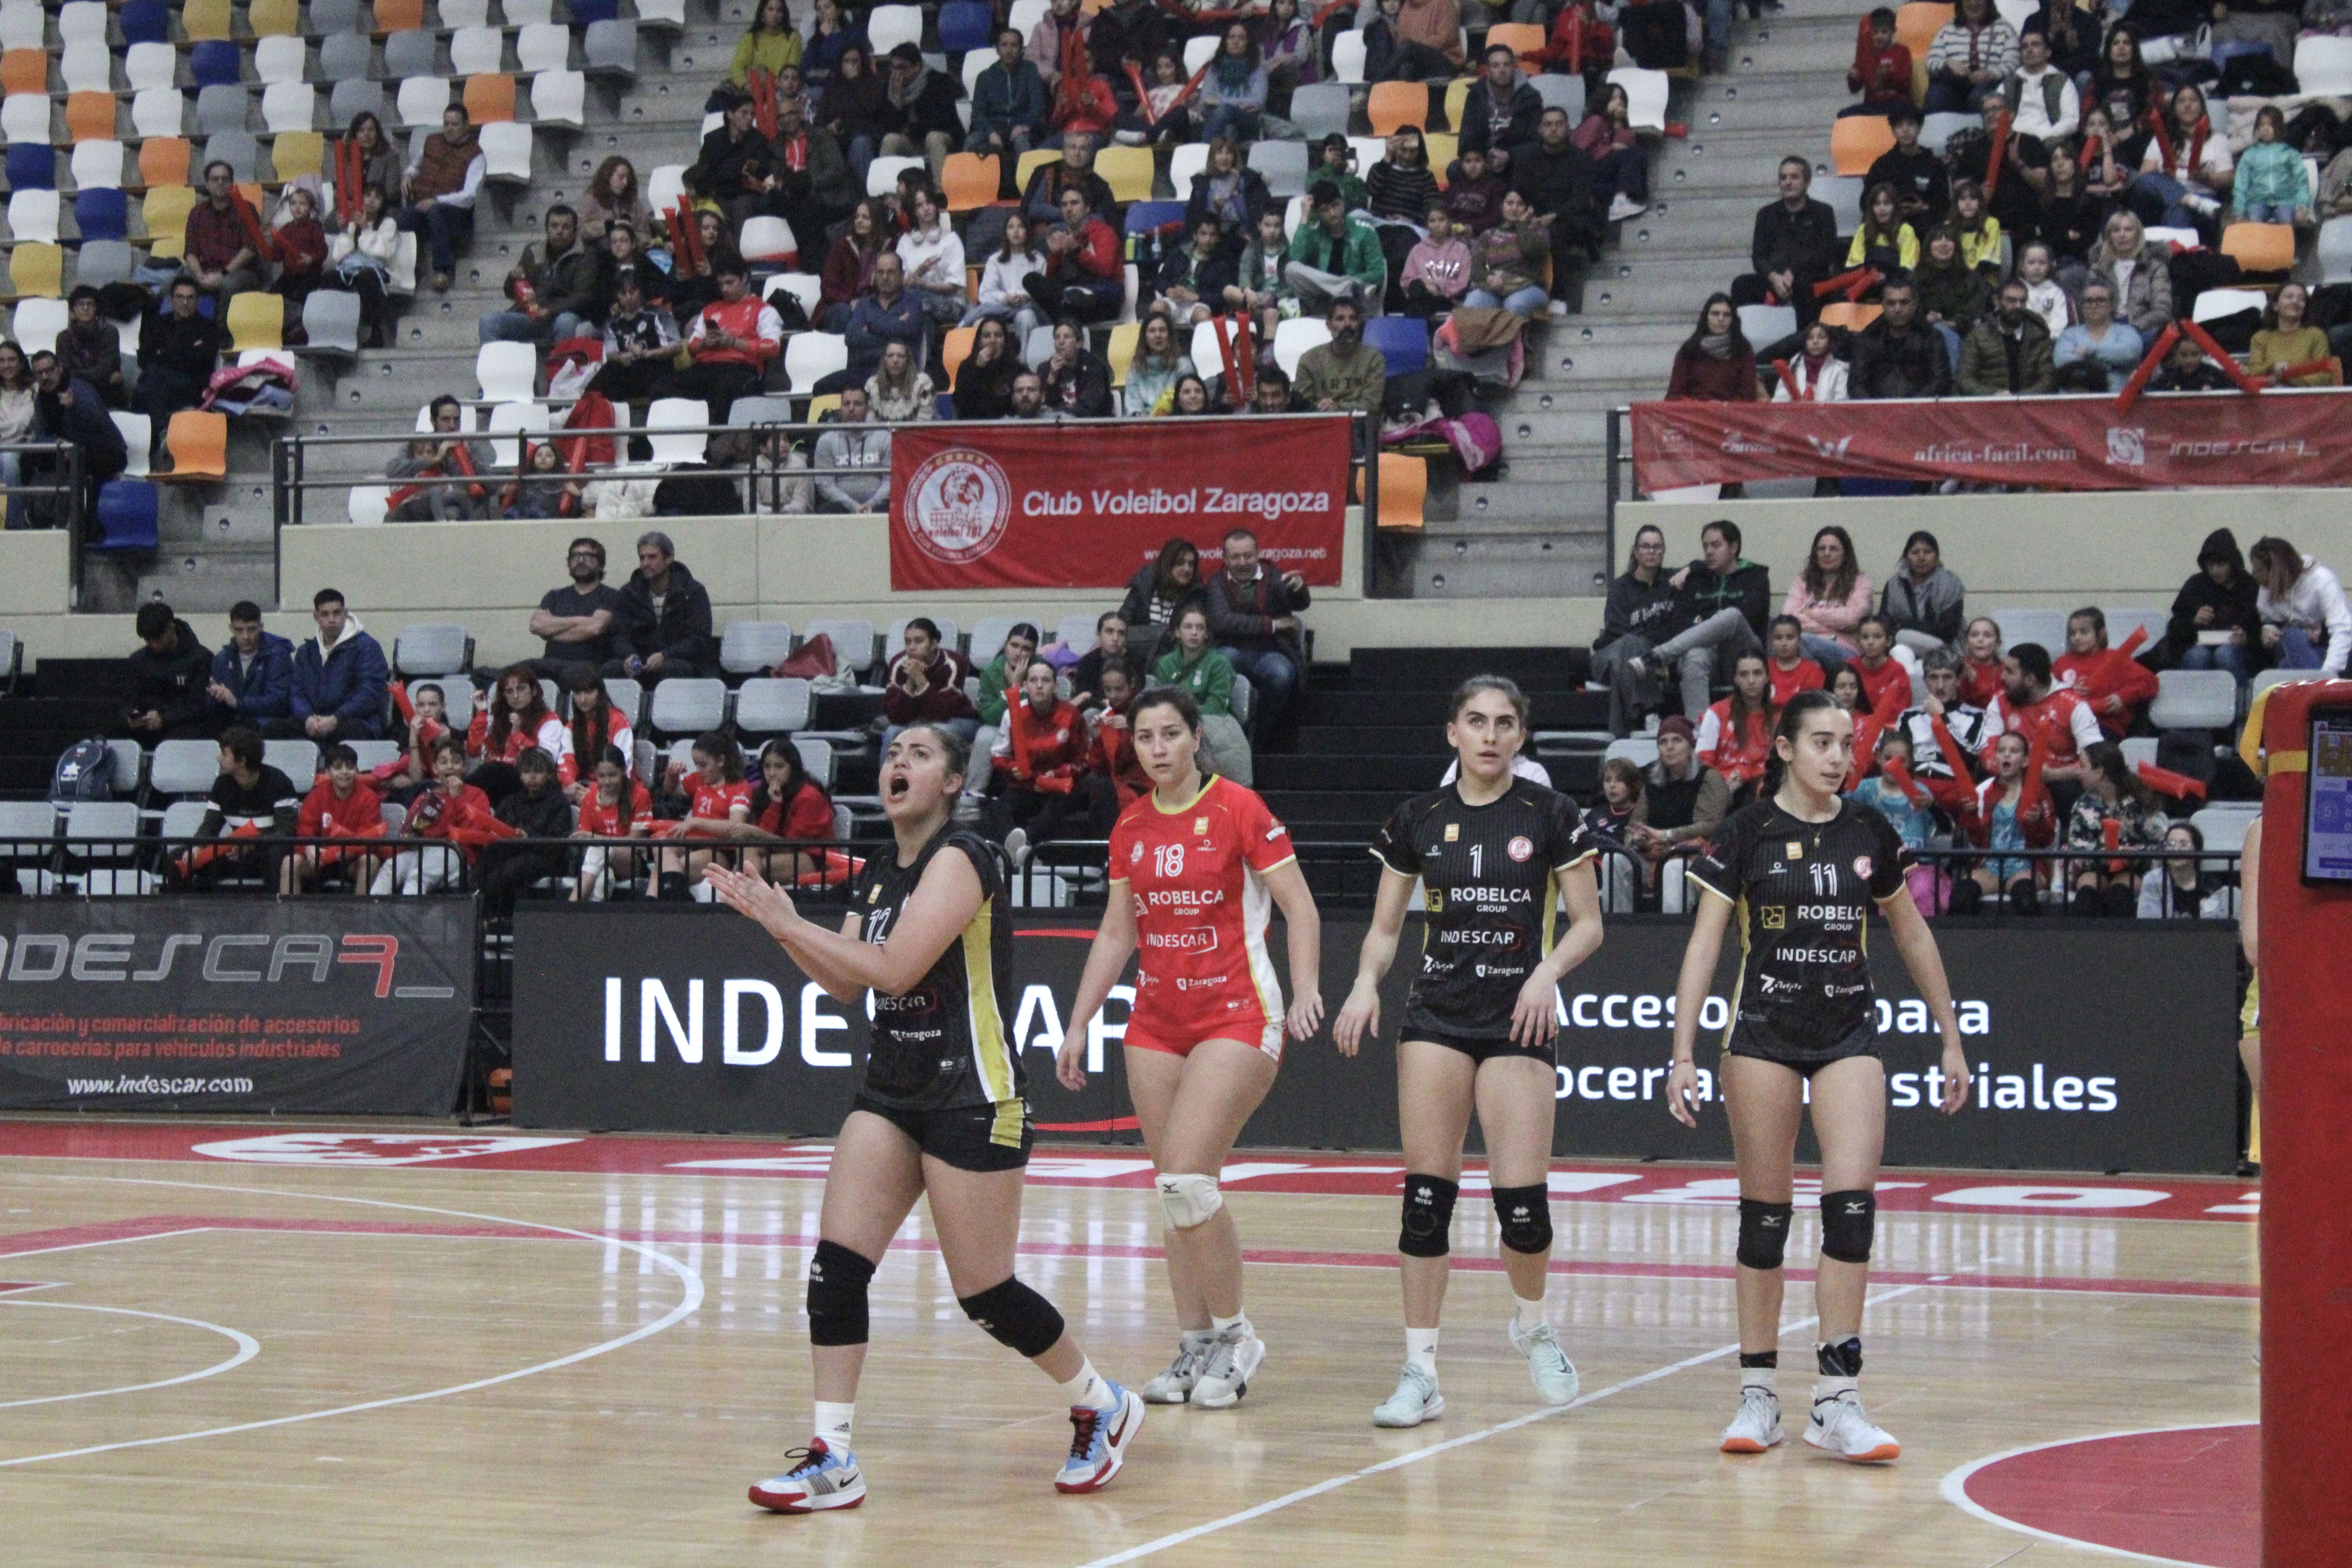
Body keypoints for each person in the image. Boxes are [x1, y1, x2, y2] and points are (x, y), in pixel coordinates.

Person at [708, 725, 1143, 1507]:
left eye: (919, 754)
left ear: (950, 782)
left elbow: (896, 968)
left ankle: (1099, 1401)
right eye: (890, 754)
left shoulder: (965, 857)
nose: (897, 763)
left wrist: (789, 922)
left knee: (985, 1294)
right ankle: (833, 1456)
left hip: (975, 1093)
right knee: (835, 1270)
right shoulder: (881, 870)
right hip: (894, 1088)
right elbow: (846, 984)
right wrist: (778, 925)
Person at [1665, 690, 1971, 1460]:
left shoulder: (1869, 829)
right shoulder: (1746, 832)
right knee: (1765, 1218)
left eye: (1847, 743)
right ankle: (1758, 1396)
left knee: (1851, 1210)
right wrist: (1683, 1052)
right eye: (1823, 743)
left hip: (1848, 1036)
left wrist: (1951, 1037)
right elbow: (1705, 945)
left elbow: (1913, 934)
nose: (1839, 757)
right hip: (1762, 1036)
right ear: (1785, 749)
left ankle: (1838, 1399)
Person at [1328, 675, 1602, 1428]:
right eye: (1476, 722)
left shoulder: (1551, 814)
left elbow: (1588, 924)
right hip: (1437, 1017)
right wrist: (1364, 984)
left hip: (1518, 1019)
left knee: (1523, 1211)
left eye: (1504, 723)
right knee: (1425, 1202)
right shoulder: (1418, 818)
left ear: (1521, 736)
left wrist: (1547, 973)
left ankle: (1532, 1324)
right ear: (1453, 733)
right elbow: (1386, 928)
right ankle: (1420, 1371)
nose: (1490, 735)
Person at [1055, 687, 1319, 1411]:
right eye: (1146, 737)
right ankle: (1196, 1343)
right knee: (1173, 1188)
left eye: (1171, 734)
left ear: (1196, 738)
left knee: (1188, 1180)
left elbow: (1299, 906)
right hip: (1156, 1023)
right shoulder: (1131, 825)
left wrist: (1305, 989)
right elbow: (1118, 932)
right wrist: (1078, 1023)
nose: (1159, 748)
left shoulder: (1240, 808)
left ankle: (1237, 1336)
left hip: (1238, 1012)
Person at [1623, 519, 1773, 724]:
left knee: (1732, 615)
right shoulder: (1697, 580)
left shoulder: (1755, 577)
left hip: (1744, 653)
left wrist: (1706, 623)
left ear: (1734, 548)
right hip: (1709, 656)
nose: (1709, 552)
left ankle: (1659, 655)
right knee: (1695, 657)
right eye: (1706, 546)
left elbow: (1751, 617)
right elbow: (1679, 622)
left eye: (1716, 545)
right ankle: (1699, 731)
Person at [988, 658, 1111, 854]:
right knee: (998, 807)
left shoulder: (1071, 715)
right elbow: (998, 756)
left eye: (1045, 681)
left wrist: (1055, 776)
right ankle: (1016, 852)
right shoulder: (1012, 715)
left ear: (1055, 686)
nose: (1039, 686)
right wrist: (1012, 769)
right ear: (1026, 686)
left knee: (1060, 804)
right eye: (1033, 680)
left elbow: (1084, 760)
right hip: (1026, 786)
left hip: (1061, 787)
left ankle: (1024, 846)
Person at [1205, 527, 1309, 737]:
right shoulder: (1217, 583)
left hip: (1271, 652)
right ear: (1225, 558)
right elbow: (1222, 622)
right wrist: (1272, 625)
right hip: (1231, 650)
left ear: (1258, 554)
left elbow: (1300, 604)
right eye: (1235, 557)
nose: (1243, 562)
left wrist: (1299, 590)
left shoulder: (1274, 577)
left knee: (1283, 674)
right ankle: (1231, 733)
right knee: (1223, 661)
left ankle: (1261, 735)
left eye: (1248, 556)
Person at [655, 256, 784, 421]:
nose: (725, 289)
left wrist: (733, 342)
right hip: (705, 367)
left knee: (727, 387)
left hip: (740, 368)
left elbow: (772, 348)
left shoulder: (764, 310)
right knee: (661, 387)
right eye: (721, 284)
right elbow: (692, 346)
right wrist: (705, 344)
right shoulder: (711, 309)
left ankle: (716, 435)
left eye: (730, 283)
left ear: (744, 278)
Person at [176, 726, 302, 885]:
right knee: (178, 857)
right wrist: (197, 847)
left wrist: (253, 845)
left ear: (242, 761)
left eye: (224, 754)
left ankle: (273, 901)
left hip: (264, 855)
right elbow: (210, 826)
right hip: (235, 855)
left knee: (277, 852)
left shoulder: (279, 783)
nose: (219, 759)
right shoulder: (222, 785)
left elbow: (286, 832)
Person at [27, 349, 128, 529]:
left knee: (82, 464)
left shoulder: (80, 391)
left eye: (49, 370)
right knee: (28, 460)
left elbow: (100, 429)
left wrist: (73, 409)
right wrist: (58, 445)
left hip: (105, 450)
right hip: (66, 452)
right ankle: (35, 520)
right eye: (39, 373)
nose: (45, 377)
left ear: (60, 369)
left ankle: (86, 527)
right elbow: (41, 435)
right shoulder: (42, 399)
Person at [2062, 740, 2167, 915]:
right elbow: (2076, 850)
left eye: (2083, 766)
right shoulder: (2082, 805)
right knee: (2088, 890)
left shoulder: (2142, 802)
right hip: (2095, 869)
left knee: (2120, 893)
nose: (2078, 772)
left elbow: (2163, 845)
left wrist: (2132, 855)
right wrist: (2104, 855)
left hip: (2133, 870)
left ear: (2099, 772)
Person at [1734, 158, 1840, 327]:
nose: (1788, 182)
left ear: (1807, 181)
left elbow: (1825, 253)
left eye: (1794, 177)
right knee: (1741, 285)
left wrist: (1792, 272)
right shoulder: (1766, 215)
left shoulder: (1823, 213)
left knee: (1804, 284)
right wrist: (1774, 278)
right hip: (1774, 279)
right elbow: (1759, 257)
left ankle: (1806, 338)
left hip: (1809, 279)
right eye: (1783, 178)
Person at [135, 277, 228, 466]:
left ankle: (154, 442)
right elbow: (143, 359)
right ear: (171, 300)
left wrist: (163, 354)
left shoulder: (208, 328)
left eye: (190, 298)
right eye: (180, 297)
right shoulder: (158, 324)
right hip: (161, 384)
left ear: (198, 301)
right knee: (151, 379)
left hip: (192, 387)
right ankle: (157, 438)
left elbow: (200, 362)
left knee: (149, 381)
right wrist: (181, 354)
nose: (185, 303)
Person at [605, 532, 718, 683]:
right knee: (610, 669)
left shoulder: (692, 592)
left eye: (652, 557)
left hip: (683, 662)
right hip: (642, 662)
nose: (646, 563)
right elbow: (618, 635)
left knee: (672, 669)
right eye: (642, 558)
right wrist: (629, 656)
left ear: (669, 558)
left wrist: (665, 655)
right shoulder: (629, 593)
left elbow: (699, 639)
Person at [279, 741, 388, 894]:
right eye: (338, 768)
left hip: (353, 860)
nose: (345, 772)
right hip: (320, 859)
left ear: (357, 771)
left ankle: (362, 909)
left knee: (371, 861)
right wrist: (309, 848)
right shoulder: (316, 796)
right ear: (328, 773)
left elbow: (368, 838)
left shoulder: (370, 798)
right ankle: (289, 909)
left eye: (350, 767)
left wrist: (336, 853)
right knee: (290, 863)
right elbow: (305, 829)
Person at [478, 746, 574, 915]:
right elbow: (496, 825)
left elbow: (557, 842)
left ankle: (501, 918)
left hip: (545, 858)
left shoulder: (559, 803)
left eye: (538, 771)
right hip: (511, 853)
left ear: (549, 774)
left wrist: (528, 837)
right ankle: (481, 918)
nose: (532, 777)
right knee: (484, 864)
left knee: (511, 870)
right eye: (527, 772)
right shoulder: (512, 801)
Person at [398, 104, 485, 292]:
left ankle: (442, 270)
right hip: (422, 201)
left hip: (454, 212)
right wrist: (408, 176)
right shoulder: (432, 141)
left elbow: (470, 196)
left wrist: (438, 201)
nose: (449, 129)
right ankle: (404, 269)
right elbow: (415, 166)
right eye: (446, 124)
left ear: (466, 125)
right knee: (402, 220)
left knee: (435, 212)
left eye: (455, 125)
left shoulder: (476, 155)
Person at [285, 589, 389, 744]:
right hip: (315, 722)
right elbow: (296, 693)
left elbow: (370, 693)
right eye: (325, 614)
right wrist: (307, 718)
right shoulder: (306, 652)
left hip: (356, 721)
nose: (332, 620)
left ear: (346, 614)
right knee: (274, 730)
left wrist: (336, 719)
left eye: (337, 613)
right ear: (316, 617)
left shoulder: (367, 647)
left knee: (349, 732)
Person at [1508, 107, 1601, 279]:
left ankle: (1557, 292)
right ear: (1540, 130)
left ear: (1568, 128)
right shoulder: (1527, 159)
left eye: (1559, 124)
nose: (1554, 129)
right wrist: (1529, 215)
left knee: (1555, 232)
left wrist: (1554, 216)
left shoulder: (1582, 160)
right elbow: (1520, 193)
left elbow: (1580, 200)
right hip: (1533, 216)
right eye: (1548, 125)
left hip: (1569, 220)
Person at [1626, 715, 1730, 868]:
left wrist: (1667, 836)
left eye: (1677, 740)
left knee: (1674, 866)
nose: (1670, 747)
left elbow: (1710, 826)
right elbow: (1635, 824)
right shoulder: (1651, 779)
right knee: (1616, 859)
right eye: (1663, 742)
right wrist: (1637, 838)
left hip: (1694, 855)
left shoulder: (1708, 778)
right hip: (1653, 852)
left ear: (1690, 747)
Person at [2000, 641, 2102, 788]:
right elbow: (1989, 746)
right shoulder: (2001, 700)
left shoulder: (2074, 706)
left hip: (2059, 783)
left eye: (2009, 672)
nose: (2002, 677)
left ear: (2030, 680)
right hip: (2012, 778)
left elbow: (2095, 759)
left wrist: (2054, 775)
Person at [2131, 83, 2232, 232]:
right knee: (2146, 183)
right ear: (2174, 108)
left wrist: (2205, 177)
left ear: (2202, 106)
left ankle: (2191, 202)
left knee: (2180, 211)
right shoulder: (2161, 138)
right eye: (2182, 101)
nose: (2187, 105)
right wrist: (2163, 174)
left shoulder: (2218, 139)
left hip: (2204, 197)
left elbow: (2229, 180)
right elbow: (2144, 178)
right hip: (2167, 197)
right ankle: (2190, 200)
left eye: (2193, 100)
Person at [2167, 528, 2262, 686]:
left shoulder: (2249, 586)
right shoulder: (2196, 585)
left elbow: (2262, 629)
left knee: (2225, 654)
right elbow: (2174, 628)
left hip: (2241, 652)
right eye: (2211, 565)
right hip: (2198, 646)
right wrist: (2194, 621)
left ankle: (2241, 699)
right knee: (2198, 656)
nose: (2215, 571)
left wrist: (2246, 640)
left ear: (2232, 563)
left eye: (2221, 564)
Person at [2250, 535, 2352, 676]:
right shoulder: (2267, 587)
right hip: (2302, 651)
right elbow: (2269, 617)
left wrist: (2328, 673)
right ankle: (2316, 683)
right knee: (2290, 646)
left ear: (2277, 572)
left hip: (2336, 652)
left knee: (2289, 651)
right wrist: (2269, 630)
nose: (2254, 575)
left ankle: (2320, 684)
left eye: (2259, 570)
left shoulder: (2322, 580)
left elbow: (2342, 630)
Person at [2054, 607, 2158, 739]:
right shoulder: (2062, 663)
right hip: (2067, 726)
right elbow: (2048, 691)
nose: (2077, 638)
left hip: (2104, 727)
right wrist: (2069, 692)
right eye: (2073, 633)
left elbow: (2151, 682)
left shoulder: (2116, 659)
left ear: (2101, 633)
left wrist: (2122, 697)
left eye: (2084, 632)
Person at [528, 538, 625, 678]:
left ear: (601, 564)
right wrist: (580, 622)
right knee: (512, 674)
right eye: (575, 556)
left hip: (589, 668)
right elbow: (536, 626)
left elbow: (595, 628)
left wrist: (552, 632)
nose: (581, 561)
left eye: (588, 556)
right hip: (550, 665)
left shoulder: (611, 596)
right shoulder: (555, 596)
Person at [1287, 183, 1386, 318]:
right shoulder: (1315, 231)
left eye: (1336, 206)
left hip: (1356, 301)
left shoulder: (1365, 231)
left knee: (1357, 287)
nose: (1333, 213)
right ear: (1318, 213)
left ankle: (1346, 288)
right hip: (1326, 300)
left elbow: (1378, 274)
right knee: (1291, 268)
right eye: (1325, 210)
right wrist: (1304, 218)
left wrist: (1353, 281)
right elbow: (1296, 259)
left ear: (1343, 204)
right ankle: (1346, 287)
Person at [1028, 187, 1123, 325]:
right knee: (1031, 280)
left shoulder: (1104, 233)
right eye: (1064, 205)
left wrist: (1077, 251)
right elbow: (1051, 279)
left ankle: (1069, 304)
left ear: (1087, 208)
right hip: (1071, 293)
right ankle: (1069, 303)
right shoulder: (1061, 235)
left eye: (1074, 203)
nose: (1069, 209)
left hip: (1102, 295)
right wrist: (1056, 255)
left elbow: (1105, 270)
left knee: (1082, 295)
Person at [125, 602, 218, 740]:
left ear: (171, 627)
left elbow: (198, 706)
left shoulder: (201, 658)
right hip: (146, 728)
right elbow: (128, 700)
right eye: (148, 640)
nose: (154, 645)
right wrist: (132, 716)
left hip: (185, 729)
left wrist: (164, 719)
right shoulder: (138, 661)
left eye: (158, 638)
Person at [1783, 525, 1872, 669]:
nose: (1827, 553)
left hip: (1845, 651)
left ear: (1845, 554)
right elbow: (1790, 620)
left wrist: (1811, 613)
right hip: (1808, 646)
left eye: (1833, 549)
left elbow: (1852, 619)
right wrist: (1832, 628)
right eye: (1822, 549)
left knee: (1802, 640)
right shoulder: (1802, 581)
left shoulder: (1861, 582)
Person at [572, 743, 653, 899]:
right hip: (596, 863)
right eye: (602, 776)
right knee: (602, 879)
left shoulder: (640, 795)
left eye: (613, 775)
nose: (607, 781)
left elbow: (635, 842)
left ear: (624, 771)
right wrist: (593, 842)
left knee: (598, 849)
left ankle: (572, 905)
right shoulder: (590, 797)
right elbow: (584, 842)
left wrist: (596, 839)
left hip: (631, 861)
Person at [882, 616, 978, 748]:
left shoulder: (954, 663)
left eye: (919, 641)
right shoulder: (898, 663)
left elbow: (942, 714)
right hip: (917, 720)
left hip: (957, 720)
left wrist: (921, 681)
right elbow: (895, 717)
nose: (912, 648)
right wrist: (910, 682)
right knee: (893, 731)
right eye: (908, 642)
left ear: (934, 644)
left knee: (936, 732)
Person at [181, 161, 267, 309]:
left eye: (225, 179)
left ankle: (221, 325)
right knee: (174, 285)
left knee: (228, 285)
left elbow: (249, 250)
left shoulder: (246, 209)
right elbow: (190, 252)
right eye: (215, 179)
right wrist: (200, 277)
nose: (220, 183)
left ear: (232, 183)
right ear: (207, 185)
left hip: (240, 273)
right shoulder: (197, 213)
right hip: (206, 271)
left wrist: (223, 274)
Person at [1848, 279, 1953, 398]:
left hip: (1920, 408)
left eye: (1904, 303)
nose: (1898, 309)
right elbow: (1856, 385)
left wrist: (1912, 406)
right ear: (1883, 305)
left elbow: (1941, 381)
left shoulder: (1931, 338)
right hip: (1876, 409)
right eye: (1891, 303)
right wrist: (1876, 407)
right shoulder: (1867, 338)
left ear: (1914, 305)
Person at [1463, 189, 1552, 319]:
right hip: (1495, 289)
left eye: (1520, 204)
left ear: (1528, 209)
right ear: (1502, 207)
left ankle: (1514, 334)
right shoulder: (1489, 235)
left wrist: (1522, 224)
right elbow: (1476, 268)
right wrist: (1489, 278)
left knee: (1514, 305)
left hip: (1529, 288)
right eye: (1510, 203)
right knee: (1473, 303)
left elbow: (1530, 250)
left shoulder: (1538, 231)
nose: (1514, 208)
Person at [1957, 278, 2057, 394]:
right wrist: (1994, 394)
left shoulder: (2039, 335)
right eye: (2011, 301)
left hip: (2029, 401)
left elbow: (2048, 379)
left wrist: (2020, 398)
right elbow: (1964, 379)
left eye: (2023, 301)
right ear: (1997, 302)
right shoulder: (1979, 336)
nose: (2018, 306)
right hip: (1990, 402)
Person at [206, 601, 294, 731]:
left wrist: (237, 703)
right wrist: (216, 696)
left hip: (265, 728)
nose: (246, 636)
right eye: (239, 630)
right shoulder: (222, 659)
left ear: (261, 627)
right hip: (232, 727)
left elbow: (279, 702)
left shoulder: (279, 656)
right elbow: (211, 707)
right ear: (231, 628)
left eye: (252, 629)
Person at [1697, 652, 1778, 793]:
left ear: (1767, 677)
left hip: (1764, 787)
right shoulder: (1716, 713)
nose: (1751, 681)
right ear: (1736, 679)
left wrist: (1747, 774)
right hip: (1723, 788)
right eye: (1744, 675)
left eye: (1757, 673)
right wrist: (1722, 785)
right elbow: (1703, 762)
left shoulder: (1778, 716)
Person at [2084, 210, 2172, 339]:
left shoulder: (2155, 267)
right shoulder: (2098, 269)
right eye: (2116, 231)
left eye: (2128, 230)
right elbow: (2090, 306)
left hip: (2143, 328)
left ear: (2138, 235)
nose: (2122, 235)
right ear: (2109, 236)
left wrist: (2133, 329)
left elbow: (2162, 310)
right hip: (2106, 329)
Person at [879, 42, 960, 183]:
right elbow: (887, 127)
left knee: (934, 138)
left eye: (902, 68)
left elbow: (941, 122)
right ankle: (887, 189)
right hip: (913, 141)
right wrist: (897, 104)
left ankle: (941, 191)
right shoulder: (891, 88)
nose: (897, 73)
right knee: (890, 140)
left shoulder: (938, 81)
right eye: (894, 67)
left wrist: (912, 129)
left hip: (942, 137)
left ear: (917, 66)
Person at [1292, 298, 1387, 414]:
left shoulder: (1373, 359)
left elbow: (1372, 404)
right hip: (1320, 420)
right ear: (1329, 325)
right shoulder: (1309, 360)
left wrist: (1337, 407)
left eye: (1353, 319)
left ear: (1359, 324)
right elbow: (1302, 405)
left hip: (1359, 421)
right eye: (1340, 319)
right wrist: (1321, 407)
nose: (1347, 324)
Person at [1120, 538, 1203, 668]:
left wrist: (1145, 635)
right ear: (1167, 564)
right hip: (1135, 656)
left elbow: (1188, 637)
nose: (1187, 569)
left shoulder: (1195, 594)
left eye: (1191, 564)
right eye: (1180, 563)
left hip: (1174, 660)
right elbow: (1123, 622)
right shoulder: (1144, 585)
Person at [1456, 45, 1542, 172]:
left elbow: (1536, 142)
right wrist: (1482, 158)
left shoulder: (1530, 97)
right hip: (1483, 160)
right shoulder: (1476, 95)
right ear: (1488, 71)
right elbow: (1467, 135)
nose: (1502, 70)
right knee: (1455, 169)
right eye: (1496, 66)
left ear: (1515, 68)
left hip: (1515, 161)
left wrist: (1510, 156)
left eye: (1507, 65)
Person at [969, 27, 1048, 163]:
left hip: (1022, 126)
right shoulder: (985, 77)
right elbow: (978, 113)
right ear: (997, 49)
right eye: (1004, 45)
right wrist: (991, 132)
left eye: (1014, 45)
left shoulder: (1030, 71)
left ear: (1021, 49)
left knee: (1022, 141)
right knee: (972, 142)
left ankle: (1025, 178)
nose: (1009, 50)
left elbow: (1037, 105)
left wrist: (1026, 125)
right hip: (994, 127)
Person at [1924, 0, 2018, 113]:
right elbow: (1931, 63)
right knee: (1935, 97)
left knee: (1979, 98)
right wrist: (1947, 63)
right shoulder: (1947, 29)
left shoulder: (2005, 29)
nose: (1973, 4)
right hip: (1954, 84)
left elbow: (2013, 63)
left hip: (1990, 84)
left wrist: (1991, 74)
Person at [1878, 531, 1964, 655]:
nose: (1921, 558)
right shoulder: (1894, 585)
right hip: (1903, 648)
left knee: (1901, 636)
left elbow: (1948, 629)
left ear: (1937, 556)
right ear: (1906, 557)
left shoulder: (1951, 583)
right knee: (1899, 649)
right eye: (1915, 553)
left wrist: (1905, 625)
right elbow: (1884, 625)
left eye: (1928, 552)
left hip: (1945, 647)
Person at [895, 186, 967, 331]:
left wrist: (924, 285)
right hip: (916, 303)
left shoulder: (951, 240)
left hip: (951, 304)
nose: (926, 208)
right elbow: (900, 284)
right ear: (914, 212)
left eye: (929, 203)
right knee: (919, 310)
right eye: (920, 205)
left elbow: (954, 287)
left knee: (917, 303)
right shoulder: (905, 242)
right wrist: (920, 271)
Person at [965, 212, 1045, 342]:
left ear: (1027, 232)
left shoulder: (1039, 260)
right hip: (1000, 309)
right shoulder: (995, 260)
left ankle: (1026, 355)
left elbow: (1043, 293)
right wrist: (1005, 298)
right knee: (979, 324)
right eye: (1011, 227)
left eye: (1021, 227)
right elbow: (986, 294)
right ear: (1006, 233)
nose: (1016, 231)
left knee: (1027, 318)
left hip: (1027, 309)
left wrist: (1026, 297)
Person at [812, 385, 893, 513]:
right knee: (826, 511)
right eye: (846, 404)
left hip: (878, 506)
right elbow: (825, 485)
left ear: (867, 408)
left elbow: (891, 480)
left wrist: (871, 504)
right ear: (840, 409)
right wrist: (853, 506)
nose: (851, 409)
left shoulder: (885, 438)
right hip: (840, 507)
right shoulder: (826, 441)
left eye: (858, 404)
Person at [1866, 105, 1949, 228]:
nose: (1905, 130)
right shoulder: (1882, 165)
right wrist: (1891, 208)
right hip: (1891, 225)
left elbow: (1944, 202)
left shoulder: (1934, 164)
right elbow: (1867, 200)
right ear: (1894, 132)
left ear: (1919, 128)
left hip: (1926, 225)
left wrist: (1925, 207)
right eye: (1900, 126)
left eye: (1910, 124)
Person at [2051, 279, 2143, 390]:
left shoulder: (2128, 332)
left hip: (2118, 396)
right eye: (2089, 301)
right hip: (2077, 397)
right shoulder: (2069, 335)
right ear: (2082, 306)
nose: (2094, 305)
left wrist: (2090, 352)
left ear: (2112, 305)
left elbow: (2129, 354)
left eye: (2101, 300)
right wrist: (2110, 365)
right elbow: (2063, 361)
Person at [1667, 293, 1759, 401]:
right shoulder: (1689, 350)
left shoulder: (1743, 350)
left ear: (1733, 319)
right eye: (1716, 314)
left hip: (1730, 411)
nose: (1721, 319)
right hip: (1694, 410)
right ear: (1706, 317)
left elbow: (1748, 396)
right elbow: (1674, 395)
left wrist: (1723, 407)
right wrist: (1701, 406)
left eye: (1727, 315)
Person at [559, 666, 632, 802]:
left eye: (589, 692)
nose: (583, 699)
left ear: (600, 693)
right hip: (582, 788)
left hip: (617, 788)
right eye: (578, 693)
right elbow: (567, 760)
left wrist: (594, 793)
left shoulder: (619, 722)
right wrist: (571, 784)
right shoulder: (571, 726)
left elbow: (624, 766)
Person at [2233, 105, 2310, 225]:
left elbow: (2301, 181)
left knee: (2287, 225)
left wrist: (2302, 206)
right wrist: (2239, 211)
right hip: (2257, 202)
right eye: (2261, 125)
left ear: (2279, 127)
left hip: (2285, 201)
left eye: (2270, 125)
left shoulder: (2289, 153)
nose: (2265, 129)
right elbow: (2241, 184)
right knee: (2254, 225)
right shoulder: (2250, 155)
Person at [2248, 283, 2337, 387]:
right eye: (2289, 297)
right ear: (2275, 306)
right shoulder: (2261, 338)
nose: (2295, 302)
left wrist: (2288, 377)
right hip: (2270, 393)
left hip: (2305, 394)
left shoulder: (2316, 335)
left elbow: (2324, 376)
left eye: (2302, 299)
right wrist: (2273, 368)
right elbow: (2253, 372)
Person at [1154, 216, 1234, 327]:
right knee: (1158, 307)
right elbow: (1160, 280)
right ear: (1195, 235)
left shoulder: (1222, 263)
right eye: (1203, 234)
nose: (1208, 239)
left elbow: (1221, 297)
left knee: (1203, 316)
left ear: (1218, 238)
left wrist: (1196, 296)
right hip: (1174, 301)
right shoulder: (1179, 254)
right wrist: (1168, 290)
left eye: (1213, 235)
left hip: (1199, 305)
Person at [2138, 822, 2230, 918]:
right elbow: (2147, 920)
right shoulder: (2153, 880)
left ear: (2197, 849)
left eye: (2184, 844)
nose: (2176, 849)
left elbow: (2219, 922)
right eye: (2170, 844)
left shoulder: (2211, 885)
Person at [1398, 206, 1472, 319]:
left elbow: (1463, 283)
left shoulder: (1462, 250)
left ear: (1450, 223)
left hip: (1449, 301)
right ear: (1427, 225)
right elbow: (1406, 281)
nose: (1437, 225)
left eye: (1442, 220)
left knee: (1418, 299)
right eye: (1432, 221)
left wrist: (1437, 288)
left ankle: (1413, 328)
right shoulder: (1418, 250)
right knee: (1418, 288)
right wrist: (1425, 283)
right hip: (1422, 296)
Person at [60, 287, 127, 410]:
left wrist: (76, 374)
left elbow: (103, 371)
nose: (86, 308)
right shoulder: (64, 337)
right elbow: (63, 373)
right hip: (77, 393)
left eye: (90, 304)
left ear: (96, 309)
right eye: (81, 304)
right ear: (73, 309)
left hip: (107, 393)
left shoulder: (109, 332)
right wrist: (105, 377)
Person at [1068, 612, 1142, 713]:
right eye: (1110, 632)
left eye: (1121, 633)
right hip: (1097, 713)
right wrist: (1102, 703)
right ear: (1099, 635)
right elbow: (1082, 699)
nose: (1115, 638)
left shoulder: (1136, 661)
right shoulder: (1087, 663)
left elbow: (1138, 696)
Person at [1123, 313, 1194, 415]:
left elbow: (1188, 404)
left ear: (1170, 336)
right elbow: (1133, 410)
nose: (1158, 335)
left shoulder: (1184, 366)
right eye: (1152, 331)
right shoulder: (1135, 372)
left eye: (1162, 330)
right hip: (1144, 423)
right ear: (1145, 338)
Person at [1040, 318, 1113, 417]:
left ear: (1079, 343)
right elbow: (1043, 405)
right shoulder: (1046, 369)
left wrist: (1060, 412)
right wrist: (1052, 377)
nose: (1061, 342)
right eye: (1057, 337)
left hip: (1090, 423)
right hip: (1055, 423)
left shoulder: (1094, 369)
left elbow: (1090, 408)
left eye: (1067, 337)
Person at [1846, 180, 1920, 277]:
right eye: (1877, 204)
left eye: (1887, 204)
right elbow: (1854, 263)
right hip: (1866, 279)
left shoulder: (1906, 231)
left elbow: (1908, 267)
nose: (1882, 209)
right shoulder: (1863, 230)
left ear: (1895, 207)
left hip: (1896, 281)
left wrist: (1886, 276)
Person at [953, 316, 1022, 419]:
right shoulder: (966, 368)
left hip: (1009, 425)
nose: (993, 341)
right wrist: (978, 369)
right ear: (980, 342)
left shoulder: (1018, 369)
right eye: (987, 336)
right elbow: (961, 404)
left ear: (1005, 341)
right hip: (975, 424)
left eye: (998, 336)